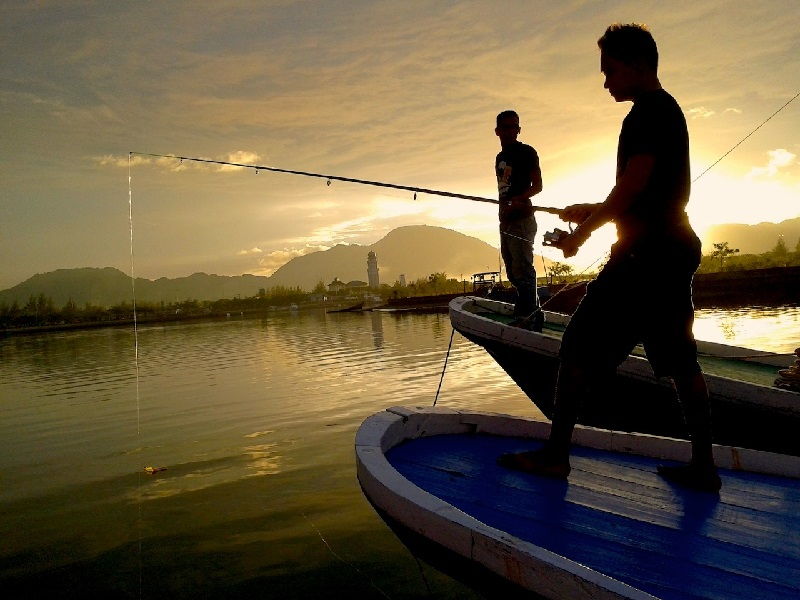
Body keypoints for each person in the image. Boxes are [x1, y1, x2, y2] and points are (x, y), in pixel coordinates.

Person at [498, 24, 721, 492]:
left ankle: (556, 457)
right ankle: (704, 467)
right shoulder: (666, 110)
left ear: (637, 65)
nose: (605, 82)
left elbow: (632, 186)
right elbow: (641, 192)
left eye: (610, 71)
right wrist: (593, 209)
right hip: (672, 247)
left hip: (643, 255)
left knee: (576, 348)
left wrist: (581, 234)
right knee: (680, 360)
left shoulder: (646, 114)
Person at [495, 110, 545, 331]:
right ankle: (530, 311)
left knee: (523, 268)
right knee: (512, 270)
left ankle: (530, 316)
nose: (511, 131)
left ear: (519, 129)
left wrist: (519, 200)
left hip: (523, 219)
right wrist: (503, 210)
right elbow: (503, 189)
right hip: (505, 220)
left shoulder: (527, 152)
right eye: (506, 127)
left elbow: (538, 186)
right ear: (497, 131)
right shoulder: (500, 158)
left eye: (514, 127)